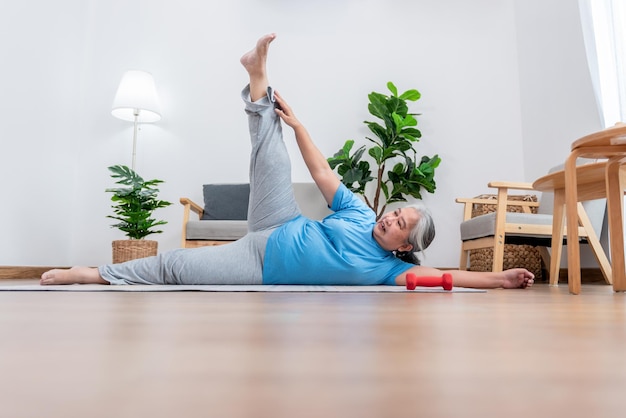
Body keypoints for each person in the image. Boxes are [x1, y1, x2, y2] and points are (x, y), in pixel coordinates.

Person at [41, 33, 534, 290]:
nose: (390, 215)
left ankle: (94, 274)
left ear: (405, 246)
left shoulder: (391, 273)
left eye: (400, 221)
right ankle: (258, 78)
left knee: (176, 267)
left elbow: (448, 278)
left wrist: (501, 278)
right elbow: (322, 174)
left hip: (260, 264)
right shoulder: (360, 212)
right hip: (281, 221)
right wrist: (299, 127)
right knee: (270, 152)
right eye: (396, 210)